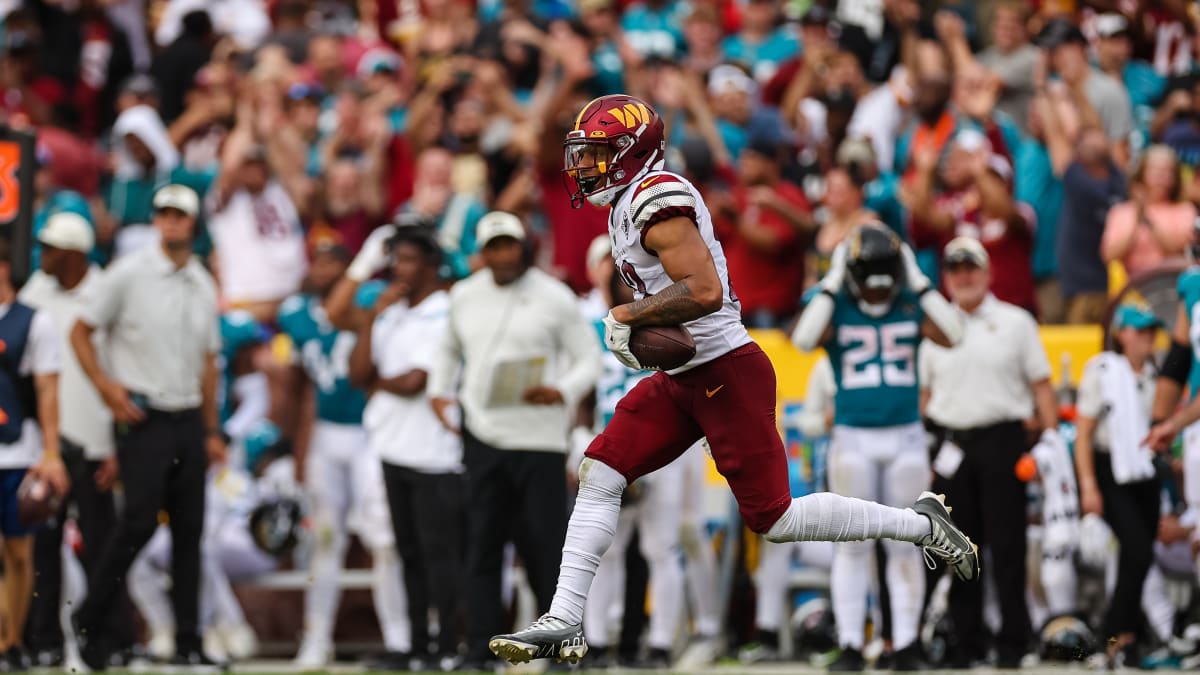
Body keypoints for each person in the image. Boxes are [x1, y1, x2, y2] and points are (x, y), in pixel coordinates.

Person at [486, 94, 978, 666]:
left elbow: (703, 292)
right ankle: (566, 618)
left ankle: (919, 524)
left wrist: (629, 315)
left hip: (724, 372)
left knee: (775, 518)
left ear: (631, 154)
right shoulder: (628, 202)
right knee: (601, 469)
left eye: (597, 154)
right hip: (684, 374)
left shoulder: (656, 201)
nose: (585, 167)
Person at [427, 211, 602, 668]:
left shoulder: (554, 296)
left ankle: (559, 645)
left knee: (545, 546)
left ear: (523, 247)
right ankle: (480, 646)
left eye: (510, 245)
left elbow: (589, 358)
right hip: (483, 434)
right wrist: (439, 396)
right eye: (494, 247)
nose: (504, 254)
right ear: (482, 254)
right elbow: (447, 351)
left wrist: (560, 391)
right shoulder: (465, 296)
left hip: (540, 439)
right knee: (483, 545)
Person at [793, 222, 963, 671]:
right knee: (852, 545)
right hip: (854, 439)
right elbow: (803, 339)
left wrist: (919, 278)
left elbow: (956, 333)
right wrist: (831, 279)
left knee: (906, 544)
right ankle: (853, 642)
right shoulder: (841, 305)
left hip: (905, 438)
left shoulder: (910, 300)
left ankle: (905, 643)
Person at [69, 183, 225, 671]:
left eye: (179, 215)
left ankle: (187, 640)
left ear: (192, 224)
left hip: (187, 417)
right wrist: (107, 388)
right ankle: (90, 618)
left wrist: (212, 429)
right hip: (146, 417)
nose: (170, 222)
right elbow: (81, 329)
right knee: (136, 523)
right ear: (156, 220)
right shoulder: (129, 274)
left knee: (189, 533)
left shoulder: (201, 282)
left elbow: (208, 362)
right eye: (164, 214)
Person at [918, 237, 1060, 668]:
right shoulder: (934, 329)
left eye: (971, 267)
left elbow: (1041, 386)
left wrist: (1051, 442)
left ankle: (1013, 643)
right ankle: (966, 643)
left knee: (1008, 545)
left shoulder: (1016, 322)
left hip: (1003, 440)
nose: (964, 276)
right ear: (946, 276)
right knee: (957, 547)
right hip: (951, 443)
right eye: (956, 269)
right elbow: (926, 396)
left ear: (987, 272)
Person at [276, 240, 410, 670]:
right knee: (325, 541)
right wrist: (299, 448)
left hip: (369, 432)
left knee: (384, 539)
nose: (325, 267)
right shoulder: (295, 314)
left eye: (335, 260)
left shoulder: (366, 296)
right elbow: (300, 388)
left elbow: (349, 317)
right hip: (326, 438)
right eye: (319, 258)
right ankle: (316, 638)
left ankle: (398, 638)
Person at [19, 213, 135, 668]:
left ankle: (111, 639)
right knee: (42, 549)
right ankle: (42, 639)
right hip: (49, 443)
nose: (42, 256)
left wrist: (116, 447)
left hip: (94, 441)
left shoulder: (106, 292)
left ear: (72, 253)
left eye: (50, 249)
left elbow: (122, 373)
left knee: (103, 546)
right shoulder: (35, 294)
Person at [348, 226, 466, 671]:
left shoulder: (444, 312)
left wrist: (377, 383)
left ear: (431, 266)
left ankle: (448, 645)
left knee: (441, 557)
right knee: (408, 553)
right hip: (392, 448)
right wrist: (368, 319)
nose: (400, 268)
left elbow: (417, 381)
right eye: (396, 258)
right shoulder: (391, 312)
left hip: (434, 453)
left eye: (410, 259)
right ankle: (416, 646)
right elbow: (357, 373)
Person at [1075, 304, 1163, 669]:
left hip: (1146, 470)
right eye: (1139, 331)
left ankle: (1125, 637)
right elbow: (1083, 435)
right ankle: (1111, 635)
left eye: (1149, 332)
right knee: (1137, 550)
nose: (1146, 338)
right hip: (1111, 467)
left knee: (1137, 557)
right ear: (1121, 333)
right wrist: (1089, 485)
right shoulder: (1103, 371)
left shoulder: (1156, 374)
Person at [0, 231, 67, 671]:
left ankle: (13, 639)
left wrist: (51, 452)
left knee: (19, 551)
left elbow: (47, 392)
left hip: (16, 449)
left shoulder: (33, 322)